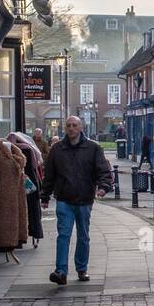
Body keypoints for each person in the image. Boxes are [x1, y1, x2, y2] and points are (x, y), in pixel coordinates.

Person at [41, 115, 112, 286]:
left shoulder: (93, 148)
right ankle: (61, 272)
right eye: (68, 126)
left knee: (83, 236)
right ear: (65, 128)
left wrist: (103, 187)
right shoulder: (57, 149)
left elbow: (103, 170)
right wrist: (45, 196)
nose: (71, 128)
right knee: (63, 235)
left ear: (81, 127)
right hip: (64, 199)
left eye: (74, 125)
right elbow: (49, 175)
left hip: (85, 199)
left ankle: (81, 269)